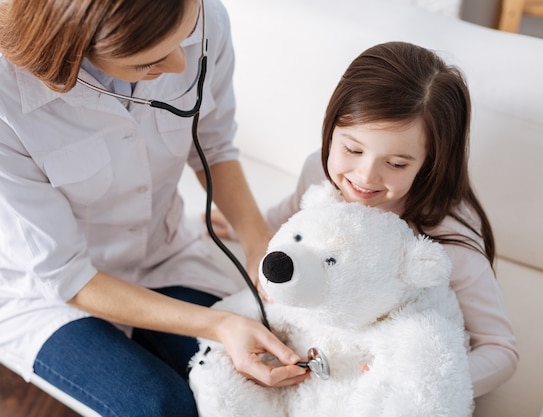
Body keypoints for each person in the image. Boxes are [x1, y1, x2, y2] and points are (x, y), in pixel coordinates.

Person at [0, 0, 309, 416]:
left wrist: (260, 249)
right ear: (75, 45)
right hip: (50, 296)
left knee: (239, 389)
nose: (179, 64)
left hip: (163, 257)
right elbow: (68, 276)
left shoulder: (204, 15)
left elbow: (212, 145)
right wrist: (221, 324)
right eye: (150, 62)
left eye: (185, 40)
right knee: (161, 406)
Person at [208, 41, 519, 398]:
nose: (366, 176)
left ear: (430, 164)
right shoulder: (318, 173)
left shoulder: (446, 237)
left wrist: (414, 381)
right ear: (330, 130)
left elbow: (501, 350)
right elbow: (292, 219)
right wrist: (244, 225)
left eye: (397, 164)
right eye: (352, 149)